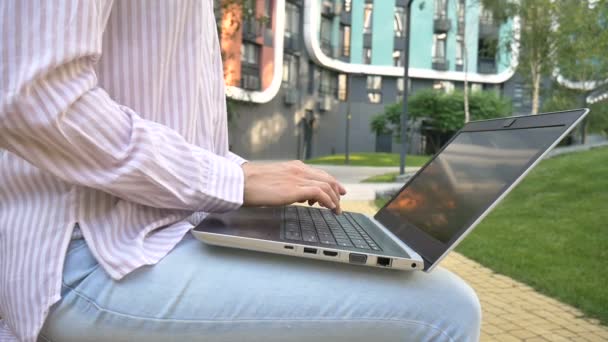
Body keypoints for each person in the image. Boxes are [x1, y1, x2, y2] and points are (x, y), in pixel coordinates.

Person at [0, 1, 481, 341]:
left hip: (156, 232)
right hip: (89, 257)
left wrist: (247, 172)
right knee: (441, 312)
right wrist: (234, 182)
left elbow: (166, 124)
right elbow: (34, 99)